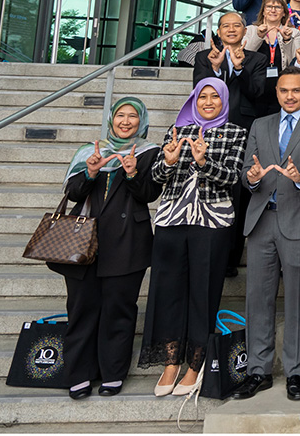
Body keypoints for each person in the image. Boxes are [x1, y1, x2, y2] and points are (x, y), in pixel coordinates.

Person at [232, 68, 300, 402]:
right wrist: (250, 177)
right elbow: (247, 170)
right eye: (283, 91)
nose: (289, 96)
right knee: (258, 300)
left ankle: (294, 372)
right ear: (276, 92)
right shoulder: (260, 124)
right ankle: (258, 371)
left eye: (295, 90)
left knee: (295, 300)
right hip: (262, 220)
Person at [140, 79, 246, 396]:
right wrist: (170, 161)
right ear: (194, 101)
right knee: (168, 288)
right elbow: (156, 178)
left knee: (203, 291)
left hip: (212, 220)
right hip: (172, 218)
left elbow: (232, 177)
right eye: (203, 97)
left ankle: (195, 363)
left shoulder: (235, 133)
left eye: (215, 97)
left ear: (223, 100)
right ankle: (171, 360)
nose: (209, 102)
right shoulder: (176, 131)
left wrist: (203, 161)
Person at [55, 98, 162, 400]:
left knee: (119, 309)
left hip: (128, 240)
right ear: (111, 119)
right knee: (80, 308)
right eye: (120, 116)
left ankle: (112, 372)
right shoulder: (90, 151)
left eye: (132, 117)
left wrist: (131, 173)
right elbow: (73, 193)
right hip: (83, 241)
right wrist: (90, 172)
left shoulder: (147, 151)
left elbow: (150, 194)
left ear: (141, 121)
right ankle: (79, 372)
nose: (125, 122)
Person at [193, 12, 268, 131]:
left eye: (237, 26)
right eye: (226, 26)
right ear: (218, 32)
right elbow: (198, 90)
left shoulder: (258, 59)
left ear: (245, 31)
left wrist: (239, 69)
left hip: (243, 123)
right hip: (210, 120)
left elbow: (257, 93)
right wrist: (215, 68)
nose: (231, 30)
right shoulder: (204, 57)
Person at [243, 0, 300, 116]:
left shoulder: (294, 32)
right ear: (263, 11)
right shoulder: (251, 30)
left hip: (281, 88)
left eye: (278, 7)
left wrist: (287, 40)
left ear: (284, 13)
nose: (273, 10)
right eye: (269, 6)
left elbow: (295, 62)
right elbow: (245, 56)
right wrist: (259, 36)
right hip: (254, 88)